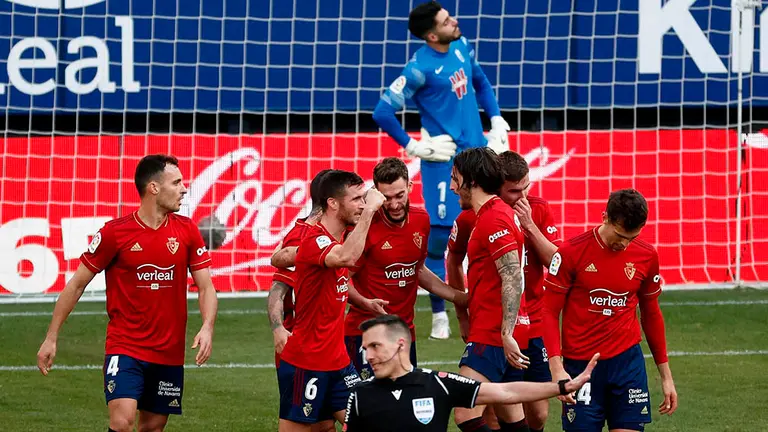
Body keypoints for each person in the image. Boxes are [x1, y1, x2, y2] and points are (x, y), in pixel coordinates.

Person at [36, 154, 219, 432]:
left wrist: (207, 326)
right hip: (126, 347)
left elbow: (205, 287)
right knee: (122, 422)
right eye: (177, 182)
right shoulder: (115, 233)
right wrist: (51, 337)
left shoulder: (187, 230)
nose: (184, 189)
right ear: (154, 188)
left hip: (169, 352)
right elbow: (76, 285)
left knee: (152, 427)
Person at [372, 0, 512, 339]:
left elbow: (481, 82)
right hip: (443, 160)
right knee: (437, 239)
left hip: (478, 153)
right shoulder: (419, 68)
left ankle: (500, 307)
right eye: (447, 20)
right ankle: (439, 315)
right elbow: (382, 111)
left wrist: (495, 118)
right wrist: (414, 145)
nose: (455, 21)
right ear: (432, 35)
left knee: (495, 223)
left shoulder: (461, 45)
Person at [542, 189, 679, 432]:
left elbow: (651, 314)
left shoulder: (647, 255)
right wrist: (556, 367)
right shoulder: (571, 253)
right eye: (620, 235)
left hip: (627, 364)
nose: (624, 244)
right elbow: (549, 312)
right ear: (605, 217)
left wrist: (666, 376)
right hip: (580, 366)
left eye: (632, 237)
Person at [449, 151, 563, 431]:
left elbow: (512, 275)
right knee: (510, 413)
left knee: (465, 411)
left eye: (455, 179)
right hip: (501, 327)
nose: (452, 186)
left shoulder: (494, 219)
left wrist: (505, 332)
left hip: (494, 331)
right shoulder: (492, 213)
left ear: (471, 181)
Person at [343, 315, 599, 431]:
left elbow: (507, 391)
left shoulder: (437, 385)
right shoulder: (359, 396)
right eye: (366, 348)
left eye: (375, 346)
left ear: (400, 345)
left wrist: (562, 386)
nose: (369, 356)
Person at [277, 170, 386, 431]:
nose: (362, 203)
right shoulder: (316, 239)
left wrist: (363, 302)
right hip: (307, 363)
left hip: (338, 362)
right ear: (333, 203)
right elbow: (347, 258)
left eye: (364, 198)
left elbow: (336, 281)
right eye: (357, 199)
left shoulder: (338, 238)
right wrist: (370, 211)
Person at [344, 158, 468, 380]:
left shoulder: (421, 220)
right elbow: (341, 279)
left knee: (402, 404)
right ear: (376, 194)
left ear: (410, 187)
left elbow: (417, 270)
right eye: (386, 198)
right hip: (365, 332)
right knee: (368, 408)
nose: (393, 204)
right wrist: (365, 303)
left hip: (403, 333)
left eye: (399, 195)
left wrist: (459, 297)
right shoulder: (365, 227)